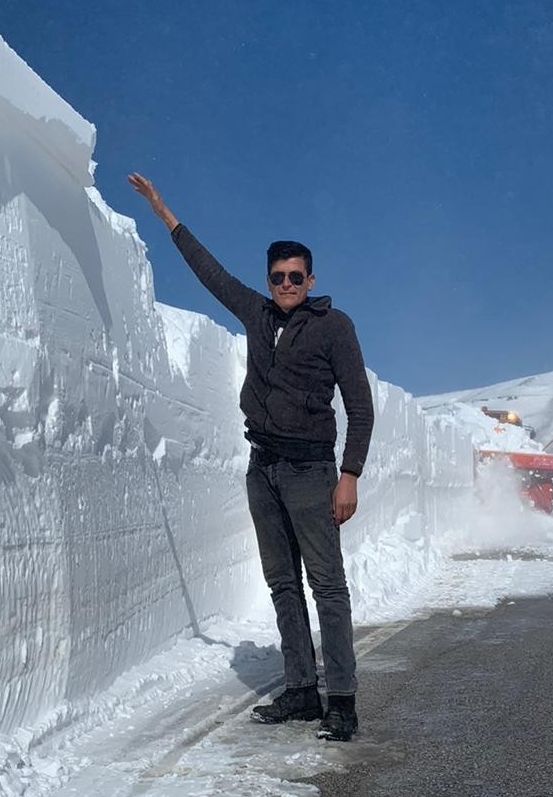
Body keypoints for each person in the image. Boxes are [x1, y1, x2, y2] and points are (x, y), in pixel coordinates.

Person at [127, 173, 374, 742]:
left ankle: (342, 699)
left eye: (295, 276)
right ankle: (301, 690)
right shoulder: (258, 315)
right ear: (269, 280)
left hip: (313, 471)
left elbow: (360, 408)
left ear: (310, 279)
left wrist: (349, 476)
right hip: (262, 468)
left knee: (327, 585)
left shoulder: (334, 328)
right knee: (282, 583)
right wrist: (165, 213)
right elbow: (208, 272)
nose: (286, 283)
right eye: (277, 277)